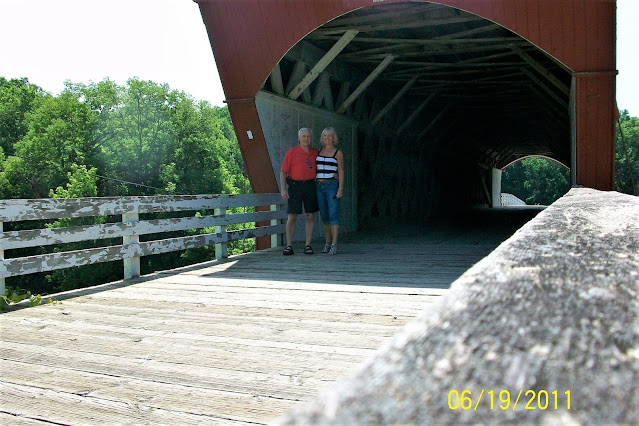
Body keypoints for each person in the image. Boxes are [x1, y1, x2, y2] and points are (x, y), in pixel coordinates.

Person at [280, 127, 319, 255]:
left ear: (311, 138)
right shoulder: (291, 152)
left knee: (310, 215)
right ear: (299, 138)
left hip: (310, 185)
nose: (306, 139)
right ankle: (289, 245)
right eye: (304, 136)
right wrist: (283, 189)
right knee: (292, 216)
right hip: (295, 186)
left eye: (308, 136)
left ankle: (308, 245)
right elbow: (283, 172)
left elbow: (322, 169)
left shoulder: (315, 153)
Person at [315, 127, 344, 255]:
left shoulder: (337, 152)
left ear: (333, 138)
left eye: (329, 136)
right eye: (325, 136)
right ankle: (327, 242)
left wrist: (340, 188)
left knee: (333, 214)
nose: (327, 138)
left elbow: (341, 170)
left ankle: (334, 244)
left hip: (332, 184)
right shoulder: (319, 151)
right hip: (319, 185)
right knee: (324, 215)